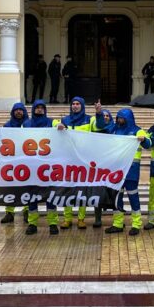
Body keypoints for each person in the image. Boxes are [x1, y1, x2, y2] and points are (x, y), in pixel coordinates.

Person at [54, 96, 106, 229]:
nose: (75, 106)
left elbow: (100, 126)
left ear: (82, 106)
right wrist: (57, 126)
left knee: (82, 190)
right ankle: (67, 218)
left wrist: (99, 112)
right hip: (68, 160)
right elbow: (55, 127)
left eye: (78, 104)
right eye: (73, 104)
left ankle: (81, 219)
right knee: (67, 189)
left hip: (83, 161)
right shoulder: (65, 120)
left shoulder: (90, 119)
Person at [104, 109, 151, 235]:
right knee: (116, 198)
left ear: (128, 118)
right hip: (116, 170)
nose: (119, 120)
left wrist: (144, 140)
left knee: (133, 197)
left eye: (121, 118)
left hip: (131, 171)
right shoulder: (114, 129)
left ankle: (136, 224)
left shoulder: (138, 131)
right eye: (118, 118)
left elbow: (149, 144)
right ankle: (118, 224)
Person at [22, 99, 59, 235]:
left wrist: (61, 127)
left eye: (41, 107)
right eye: (37, 107)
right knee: (32, 197)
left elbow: (61, 127)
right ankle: (32, 224)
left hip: (48, 166)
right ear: (33, 109)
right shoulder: (25, 124)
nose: (39, 109)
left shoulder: (52, 122)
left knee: (50, 197)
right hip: (31, 167)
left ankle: (53, 223)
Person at [0, 102, 29, 225]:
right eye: (16, 110)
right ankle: (9, 212)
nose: (18, 112)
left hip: (26, 159)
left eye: (21, 110)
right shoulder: (7, 125)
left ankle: (27, 211)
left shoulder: (29, 124)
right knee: (10, 188)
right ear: (13, 112)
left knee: (27, 186)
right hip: (11, 160)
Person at [91, 108, 116, 228]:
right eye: (103, 115)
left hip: (112, 165)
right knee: (98, 192)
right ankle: (97, 219)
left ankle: (116, 220)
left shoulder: (115, 129)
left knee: (113, 192)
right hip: (99, 165)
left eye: (107, 116)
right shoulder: (97, 129)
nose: (105, 117)